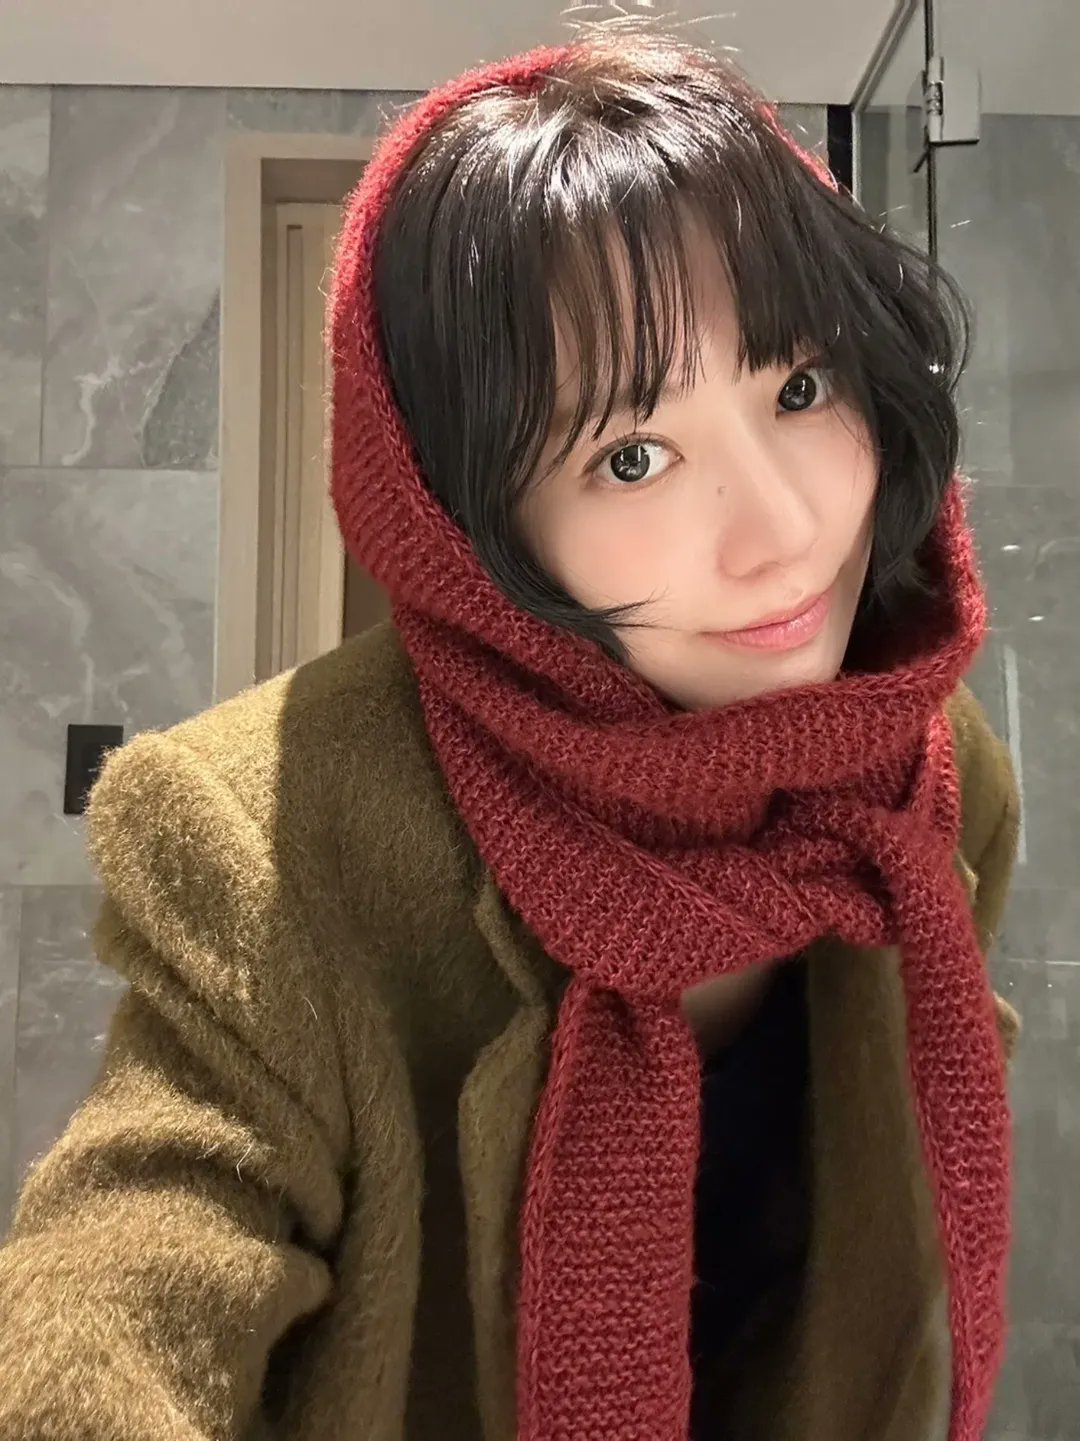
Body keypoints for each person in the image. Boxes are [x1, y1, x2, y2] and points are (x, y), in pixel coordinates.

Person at [0, 26, 1020, 1441]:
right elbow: (130, 1254)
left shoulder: (930, 766)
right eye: (632, 456)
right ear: (468, 531)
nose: (787, 532)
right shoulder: (262, 837)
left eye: (799, 388)